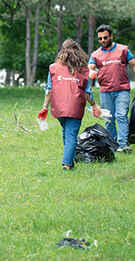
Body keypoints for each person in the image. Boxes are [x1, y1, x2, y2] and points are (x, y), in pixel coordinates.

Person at [39, 39, 101, 170]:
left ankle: (71, 161)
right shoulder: (83, 70)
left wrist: (45, 107)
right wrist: (94, 105)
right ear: (78, 52)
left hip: (59, 107)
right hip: (75, 107)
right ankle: (67, 165)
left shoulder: (53, 67)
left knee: (66, 131)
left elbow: (48, 89)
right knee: (71, 135)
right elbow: (87, 92)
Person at [88, 24, 135, 153]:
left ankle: (123, 144)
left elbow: (134, 64)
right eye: (100, 39)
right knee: (109, 119)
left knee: (121, 115)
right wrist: (90, 72)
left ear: (111, 36)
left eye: (105, 37)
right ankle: (112, 144)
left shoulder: (123, 50)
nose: (103, 41)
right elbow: (90, 67)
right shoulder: (95, 54)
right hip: (105, 91)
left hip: (122, 90)